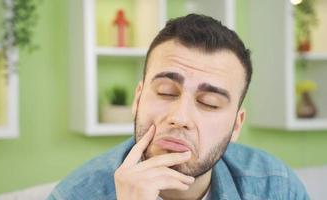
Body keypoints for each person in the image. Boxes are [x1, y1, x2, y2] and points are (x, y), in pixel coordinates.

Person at [48, 14, 309, 200]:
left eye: (209, 103)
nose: (180, 117)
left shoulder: (276, 186)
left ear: (236, 125)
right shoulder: (73, 195)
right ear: (138, 99)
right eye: (165, 92)